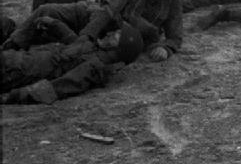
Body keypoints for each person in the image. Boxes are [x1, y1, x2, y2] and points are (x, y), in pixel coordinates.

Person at [4, 0, 183, 62]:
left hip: (115, 37)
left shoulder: (172, 2)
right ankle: (10, 45)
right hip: (91, 16)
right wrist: (86, 36)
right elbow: (107, 10)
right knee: (45, 11)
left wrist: (166, 49)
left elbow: (175, 36)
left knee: (48, 37)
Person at [1, 21, 144, 104]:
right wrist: (55, 24)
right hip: (16, 60)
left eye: (116, 36)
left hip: (15, 71)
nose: (109, 33)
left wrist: (15, 95)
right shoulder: (94, 49)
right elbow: (74, 45)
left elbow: (61, 85)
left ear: (118, 49)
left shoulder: (95, 66)